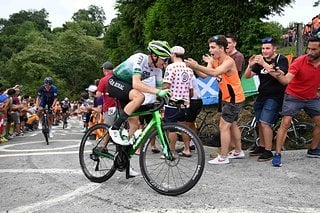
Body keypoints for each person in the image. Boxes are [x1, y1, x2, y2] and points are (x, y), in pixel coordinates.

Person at [185, 35, 245, 165]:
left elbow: (215, 73)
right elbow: (205, 75)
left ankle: (223, 156)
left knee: (223, 126)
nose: (210, 50)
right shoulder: (214, 59)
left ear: (222, 48)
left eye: (213, 47)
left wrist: (196, 65)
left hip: (234, 98)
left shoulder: (228, 61)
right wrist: (194, 67)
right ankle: (238, 151)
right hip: (226, 96)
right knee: (232, 123)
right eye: (210, 47)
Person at [268, 34, 320, 166]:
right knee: (285, 123)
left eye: (314, 49)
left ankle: (313, 149)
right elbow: (286, 80)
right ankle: (278, 154)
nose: (309, 52)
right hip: (294, 96)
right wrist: (279, 74)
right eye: (308, 48)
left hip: (312, 97)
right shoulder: (299, 61)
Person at [107, 40, 172, 146]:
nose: (165, 63)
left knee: (135, 124)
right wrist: (158, 91)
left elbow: (160, 90)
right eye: (164, 60)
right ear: (154, 56)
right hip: (115, 82)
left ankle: (123, 154)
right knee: (139, 97)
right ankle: (114, 128)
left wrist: (172, 98)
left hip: (128, 89)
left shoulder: (158, 71)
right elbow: (136, 84)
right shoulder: (140, 58)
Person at [244, 37, 288, 162]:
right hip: (261, 95)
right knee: (259, 122)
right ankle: (262, 146)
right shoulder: (260, 61)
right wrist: (250, 65)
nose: (264, 51)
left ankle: (268, 151)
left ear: (274, 49)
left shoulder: (281, 59)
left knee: (265, 122)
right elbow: (247, 76)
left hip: (275, 96)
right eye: (263, 48)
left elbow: (281, 76)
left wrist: (264, 64)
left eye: (267, 48)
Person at [163, 45, 194, 157]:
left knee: (171, 128)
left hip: (172, 102)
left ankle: (171, 151)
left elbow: (166, 85)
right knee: (184, 127)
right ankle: (187, 149)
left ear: (173, 55)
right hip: (185, 103)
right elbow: (191, 91)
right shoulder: (189, 69)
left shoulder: (170, 68)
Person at [96, 61, 116, 126]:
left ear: (104, 70)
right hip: (120, 106)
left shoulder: (103, 80)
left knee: (108, 128)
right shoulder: (118, 78)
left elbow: (98, 94)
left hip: (109, 107)